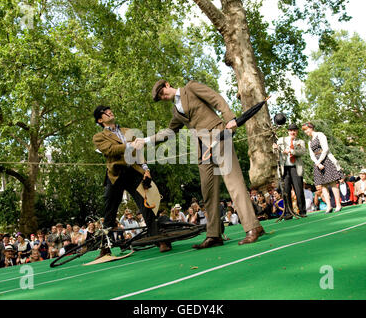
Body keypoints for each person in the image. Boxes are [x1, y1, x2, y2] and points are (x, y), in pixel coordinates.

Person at [137, 79, 265, 249]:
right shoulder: (176, 112)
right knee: (208, 190)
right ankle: (214, 235)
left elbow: (216, 99)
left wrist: (230, 120)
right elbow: (169, 132)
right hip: (202, 148)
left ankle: (253, 227)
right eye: (161, 97)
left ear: (167, 85)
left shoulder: (191, 88)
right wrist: (145, 140)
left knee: (233, 182)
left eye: (162, 93)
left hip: (219, 135)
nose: (164, 97)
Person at [92, 105, 170, 255]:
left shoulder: (128, 131)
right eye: (104, 112)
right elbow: (110, 150)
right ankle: (105, 248)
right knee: (109, 212)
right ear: (100, 120)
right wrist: (129, 145)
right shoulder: (99, 137)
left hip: (134, 172)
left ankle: (159, 239)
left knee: (147, 205)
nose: (109, 112)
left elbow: (139, 152)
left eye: (109, 110)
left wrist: (146, 169)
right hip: (115, 175)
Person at [302, 122, 343, 213]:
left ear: (311, 128)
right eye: (304, 130)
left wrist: (320, 161)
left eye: (306, 129)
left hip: (326, 159)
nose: (305, 132)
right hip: (317, 162)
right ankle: (329, 206)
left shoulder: (320, 135)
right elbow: (311, 154)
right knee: (323, 185)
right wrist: (317, 163)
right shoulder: (309, 142)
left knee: (332, 183)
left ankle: (338, 204)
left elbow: (325, 149)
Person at [273, 123, 307, 218]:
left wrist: (291, 151)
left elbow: (302, 152)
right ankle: (288, 212)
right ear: (288, 131)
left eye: (295, 130)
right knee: (286, 191)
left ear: (297, 131)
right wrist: (275, 148)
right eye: (291, 130)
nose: (293, 132)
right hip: (285, 168)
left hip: (295, 167)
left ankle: (302, 211)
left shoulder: (301, 141)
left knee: (299, 190)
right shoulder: (281, 140)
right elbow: (275, 151)